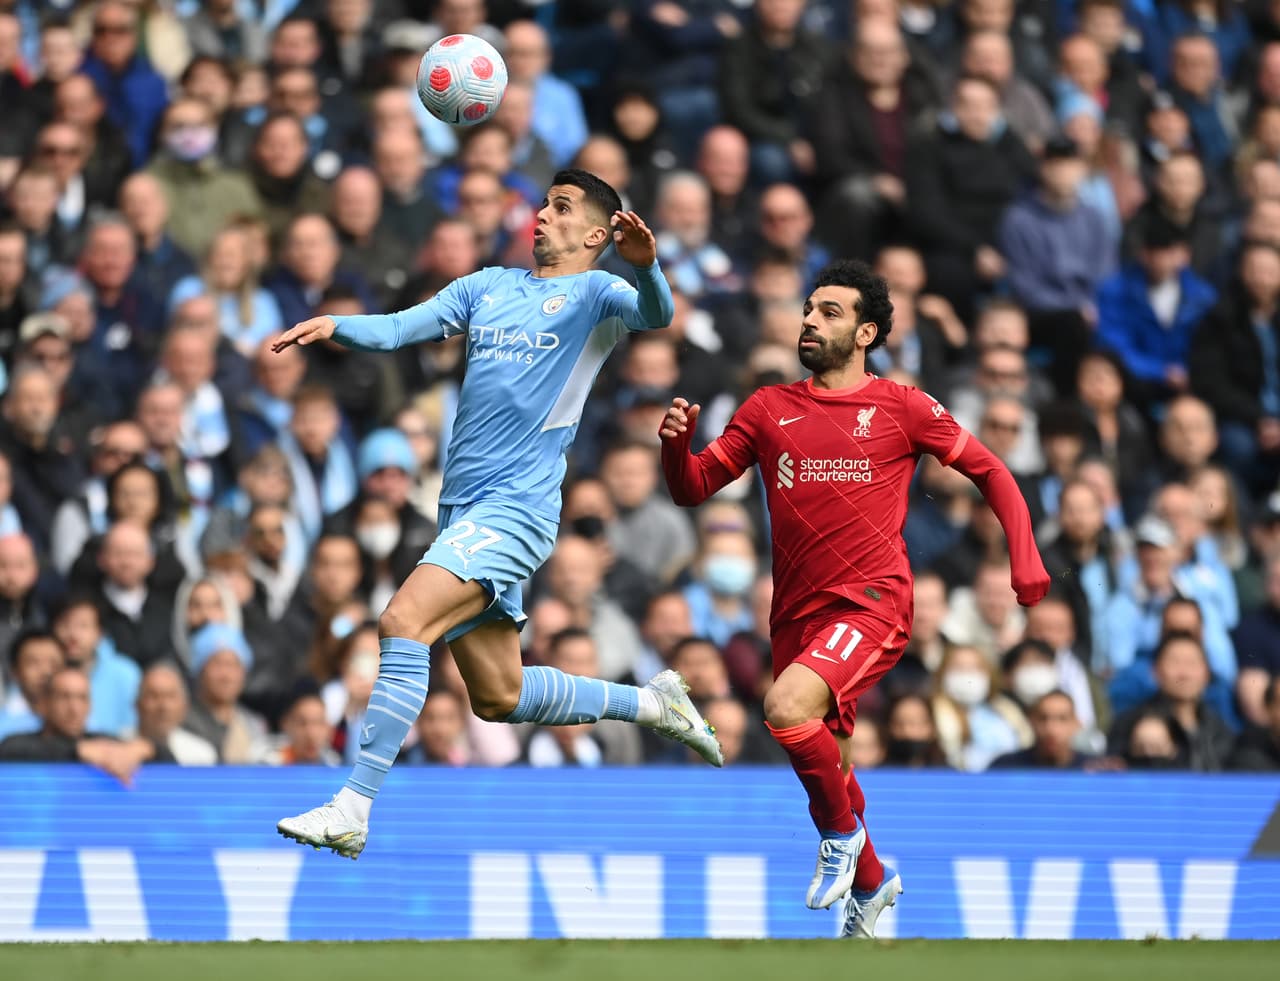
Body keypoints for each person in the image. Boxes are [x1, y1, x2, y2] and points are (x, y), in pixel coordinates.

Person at [274, 169, 722, 859]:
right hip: (464, 511)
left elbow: (655, 315)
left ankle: (353, 803)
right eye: (545, 202)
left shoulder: (599, 293)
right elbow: (399, 329)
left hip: (518, 508)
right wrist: (337, 325)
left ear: (596, 235)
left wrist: (648, 267)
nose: (542, 214)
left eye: (562, 208)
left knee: (401, 621)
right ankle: (653, 703)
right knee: (498, 694)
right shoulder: (488, 285)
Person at [659, 259, 1049, 936]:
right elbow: (693, 486)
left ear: (866, 331)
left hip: (872, 602)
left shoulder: (902, 406)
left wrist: (1025, 559)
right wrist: (675, 450)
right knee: (830, 762)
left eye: (829, 311)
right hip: (796, 615)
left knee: (784, 709)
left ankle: (841, 841)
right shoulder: (767, 408)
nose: (809, 319)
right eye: (809, 308)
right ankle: (871, 882)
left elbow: (989, 468)